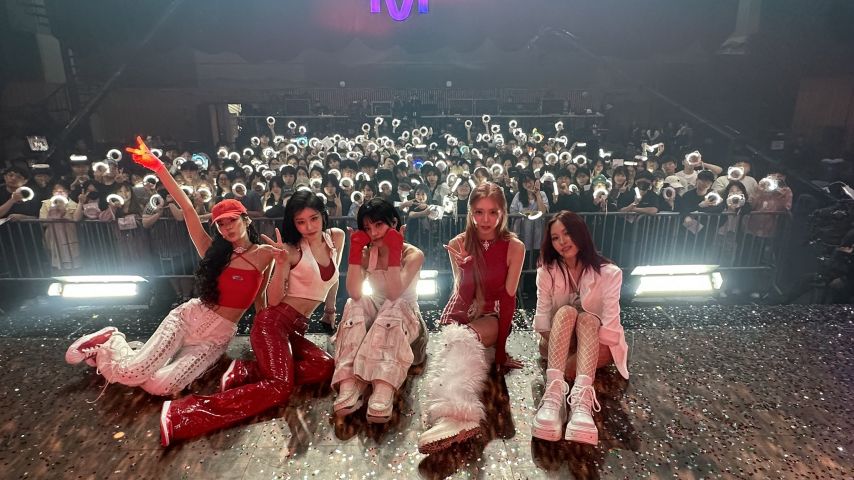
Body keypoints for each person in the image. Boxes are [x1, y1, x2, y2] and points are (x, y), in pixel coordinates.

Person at [64, 138, 278, 401]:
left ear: (246, 219)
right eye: (221, 224)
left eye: (232, 221)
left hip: (216, 338)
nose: (227, 228)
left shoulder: (264, 254)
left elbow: (261, 299)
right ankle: (110, 341)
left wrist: (266, 337)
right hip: (189, 319)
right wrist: (159, 168)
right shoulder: (212, 251)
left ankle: (136, 354)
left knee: (162, 387)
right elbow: (187, 208)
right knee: (131, 374)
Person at [159, 189, 344, 446]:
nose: (309, 227)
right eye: (301, 222)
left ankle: (244, 371)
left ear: (323, 215)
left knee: (325, 366)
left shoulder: (336, 237)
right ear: (293, 224)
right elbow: (274, 300)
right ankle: (182, 414)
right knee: (280, 387)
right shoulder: (291, 250)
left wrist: (330, 312)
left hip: (297, 327)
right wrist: (281, 265)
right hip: (273, 324)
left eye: (314, 219)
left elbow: (334, 280)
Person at [418, 182, 525, 454]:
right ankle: (448, 415)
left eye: (493, 212)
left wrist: (500, 353)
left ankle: (458, 416)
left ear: (503, 213)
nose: (485, 219)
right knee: (453, 347)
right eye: (479, 212)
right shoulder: (459, 243)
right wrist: (466, 271)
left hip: (494, 316)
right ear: (470, 212)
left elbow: (508, 300)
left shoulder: (514, 247)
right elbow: (462, 298)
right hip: (465, 313)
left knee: (463, 340)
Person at [531, 211, 629, 444]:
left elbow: (611, 324)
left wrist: (585, 344)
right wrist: (565, 344)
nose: (562, 242)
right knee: (566, 312)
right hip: (557, 337)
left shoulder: (609, 272)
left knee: (588, 319)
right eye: (555, 238)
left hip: (594, 339)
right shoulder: (546, 272)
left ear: (580, 233)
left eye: (567, 233)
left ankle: (581, 402)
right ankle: (554, 394)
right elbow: (542, 319)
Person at [331, 198, 427, 422]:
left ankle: (384, 386)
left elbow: (394, 294)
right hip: (376, 323)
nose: (373, 233)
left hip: (408, 325)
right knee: (355, 303)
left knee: (394, 305)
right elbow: (354, 292)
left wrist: (394, 251)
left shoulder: (413, 254)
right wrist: (355, 252)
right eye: (367, 228)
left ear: (393, 223)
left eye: (378, 225)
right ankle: (350, 381)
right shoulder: (368, 253)